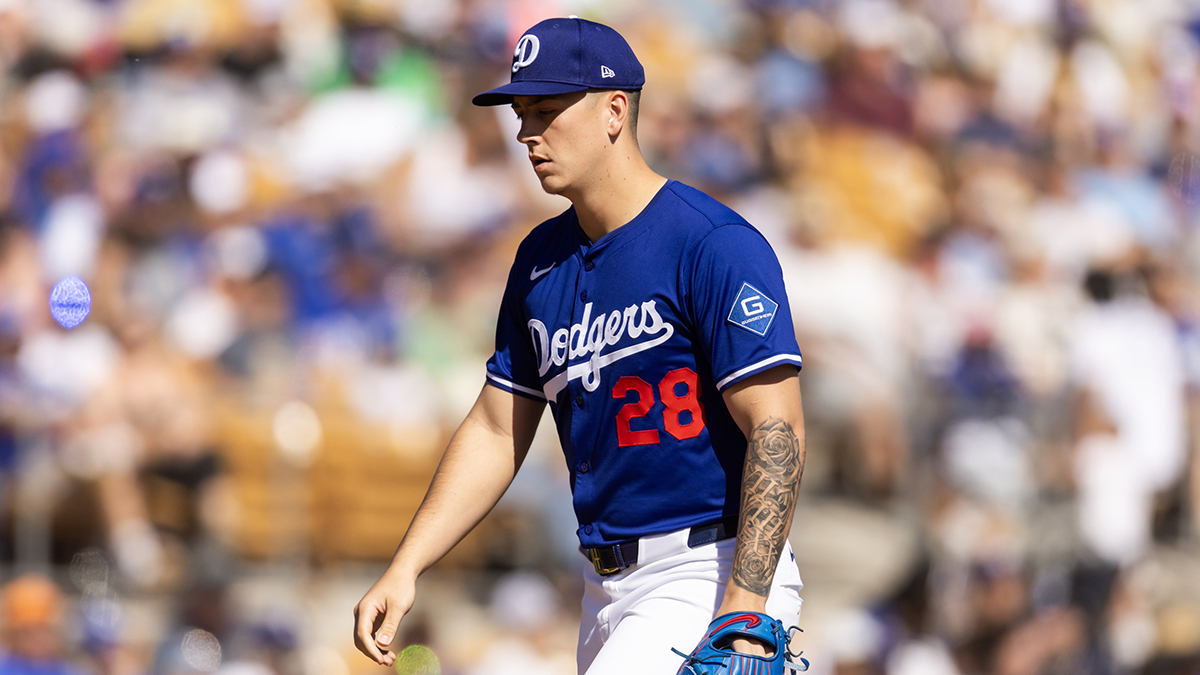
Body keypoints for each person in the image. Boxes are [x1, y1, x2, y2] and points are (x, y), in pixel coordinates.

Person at [353, 17, 806, 673]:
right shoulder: (541, 261)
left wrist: (744, 605)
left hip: (709, 568)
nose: (526, 132)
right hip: (603, 589)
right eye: (521, 111)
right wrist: (407, 564)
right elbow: (494, 425)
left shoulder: (710, 243)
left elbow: (777, 424)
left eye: (548, 110)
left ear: (614, 110)